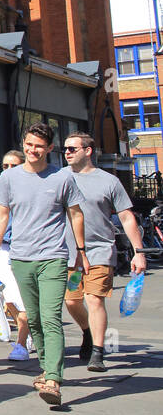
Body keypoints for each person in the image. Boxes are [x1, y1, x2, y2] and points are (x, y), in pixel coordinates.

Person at [0, 123, 88, 407]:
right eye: (29, 144)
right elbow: (1, 217)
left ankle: (54, 378)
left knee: (50, 316)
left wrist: (80, 251)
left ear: (50, 149)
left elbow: (76, 215)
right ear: (24, 143)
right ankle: (46, 367)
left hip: (54, 257)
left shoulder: (62, 177)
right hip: (20, 258)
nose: (33, 150)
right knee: (33, 318)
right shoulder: (9, 179)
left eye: (39, 146)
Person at [61, 132, 147, 372]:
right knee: (71, 300)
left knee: (94, 298)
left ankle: (98, 352)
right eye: (65, 149)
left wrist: (138, 251)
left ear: (88, 151)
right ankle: (88, 332)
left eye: (72, 148)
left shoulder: (109, 181)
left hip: (99, 251)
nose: (67, 152)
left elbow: (127, 217)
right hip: (71, 257)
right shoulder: (59, 178)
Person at [0, 149, 31, 359]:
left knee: (25, 298)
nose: (9, 170)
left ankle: (21, 343)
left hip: (25, 246)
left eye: (14, 166)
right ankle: (27, 332)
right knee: (8, 298)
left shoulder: (30, 186)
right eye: (5, 166)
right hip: (2, 247)